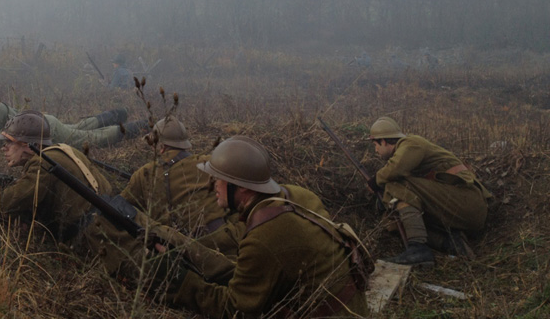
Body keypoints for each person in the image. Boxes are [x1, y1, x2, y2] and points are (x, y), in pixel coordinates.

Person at [164, 136, 369, 318]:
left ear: (242, 186)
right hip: (354, 307)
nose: (213, 184)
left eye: (219, 178)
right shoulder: (298, 195)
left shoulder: (264, 236)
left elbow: (234, 309)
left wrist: (180, 282)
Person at [368, 116, 492, 265]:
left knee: (396, 184)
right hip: (458, 208)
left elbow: (396, 169)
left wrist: (375, 181)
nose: (375, 150)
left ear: (384, 141)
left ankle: (418, 249)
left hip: (467, 201)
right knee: (394, 221)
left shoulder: (411, 143)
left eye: (375, 145)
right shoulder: (406, 153)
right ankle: (450, 242)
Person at [120, 116, 242, 257]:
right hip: (225, 245)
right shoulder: (210, 164)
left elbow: (121, 209)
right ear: (184, 144)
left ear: (161, 147)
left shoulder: (144, 174)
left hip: (178, 253)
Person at [0, 110, 113, 243]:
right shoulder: (64, 149)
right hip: (111, 219)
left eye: (10, 142)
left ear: (31, 146)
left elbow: (7, 203)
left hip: (97, 237)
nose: (4, 148)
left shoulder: (42, 162)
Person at [0, 85, 147, 147]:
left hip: (45, 129)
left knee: (91, 138)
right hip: (44, 123)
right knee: (80, 127)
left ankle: (141, 127)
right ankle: (117, 114)